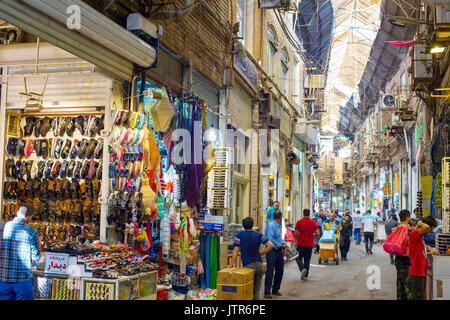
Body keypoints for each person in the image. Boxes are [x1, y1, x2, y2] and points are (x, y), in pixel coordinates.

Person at [0, 206, 40, 300]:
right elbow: (36, 256)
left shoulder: (2, 228)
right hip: (22, 280)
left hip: (3, 279)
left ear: (17, 213)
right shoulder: (32, 231)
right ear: (30, 217)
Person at [229, 216, 274, 300]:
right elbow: (271, 245)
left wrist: (231, 264)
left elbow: (235, 250)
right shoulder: (259, 235)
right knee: (256, 291)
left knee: (247, 291)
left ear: (243, 226)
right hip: (259, 265)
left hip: (248, 267)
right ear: (252, 225)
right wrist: (262, 253)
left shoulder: (240, 235)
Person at [408, 216, 438, 300]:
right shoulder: (414, 234)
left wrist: (429, 252)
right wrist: (421, 223)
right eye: (431, 228)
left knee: (421, 296)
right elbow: (426, 227)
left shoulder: (419, 237)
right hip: (416, 273)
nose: (431, 231)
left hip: (421, 272)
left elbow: (419, 251)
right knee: (418, 297)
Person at [264, 210, 288, 299]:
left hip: (278, 250)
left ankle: (275, 289)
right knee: (270, 271)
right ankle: (267, 292)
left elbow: (279, 238)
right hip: (271, 250)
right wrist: (280, 245)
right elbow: (270, 239)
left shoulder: (278, 226)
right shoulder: (271, 226)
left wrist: (284, 243)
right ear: (280, 217)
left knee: (280, 270)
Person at [294, 209, 320, 280]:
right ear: (309, 214)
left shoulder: (299, 222)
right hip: (309, 245)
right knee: (307, 260)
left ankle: (302, 269)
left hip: (301, 244)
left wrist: (297, 239)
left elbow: (295, 233)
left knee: (298, 258)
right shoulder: (313, 223)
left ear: (303, 213)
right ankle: (305, 276)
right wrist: (315, 241)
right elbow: (318, 233)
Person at [394, 209, 413, 300]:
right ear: (408, 218)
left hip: (398, 259)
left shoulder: (396, 229)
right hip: (407, 261)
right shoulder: (409, 230)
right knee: (407, 285)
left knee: (399, 283)